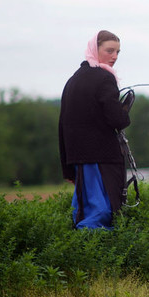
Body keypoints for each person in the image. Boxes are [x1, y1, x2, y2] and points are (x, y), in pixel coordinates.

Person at [59, 30, 131, 229]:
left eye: (117, 52)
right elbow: (117, 119)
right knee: (100, 211)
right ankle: (98, 254)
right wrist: (125, 112)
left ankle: (81, 250)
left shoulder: (74, 79)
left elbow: (63, 122)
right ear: (95, 49)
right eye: (109, 51)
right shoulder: (104, 78)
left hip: (78, 155)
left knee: (83, 207)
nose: (114, 57)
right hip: (99, 155)